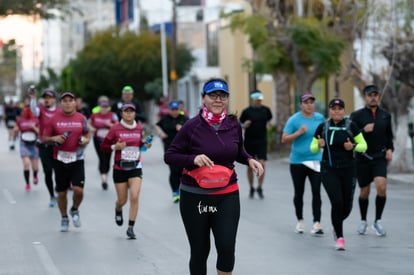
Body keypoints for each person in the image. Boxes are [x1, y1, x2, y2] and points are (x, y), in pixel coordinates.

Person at [164, 78, 264, 275]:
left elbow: (238, 151)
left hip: (227, 194)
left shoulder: (234, 124)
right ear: (203, 98)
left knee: (226, 249)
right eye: (213, 95)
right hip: (195, 196)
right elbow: (170, 156)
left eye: (223, 96)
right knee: (200, 251)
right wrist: (194, 158)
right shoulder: (191, 126)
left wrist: (250, 160)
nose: (218, 99)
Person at [310, 98, 367, 250]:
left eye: (339, 108)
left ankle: (336, 224)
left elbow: (363, 145)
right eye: (333, 108)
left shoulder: (350, 125)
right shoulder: (323, 127)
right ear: (329, 111)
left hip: (348, 169)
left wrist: (353, 146)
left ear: (343, 110)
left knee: (347, 206)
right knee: (337, 202)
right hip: (329, 169)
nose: (336, 111)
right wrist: (318, 145)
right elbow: (313, 147)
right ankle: (340, 237)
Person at [100, 103, 152, 239]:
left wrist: (146, 144)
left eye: (131, 111)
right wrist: (114, 147)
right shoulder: (115, 128)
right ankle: (118, 208)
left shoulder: (139, 128)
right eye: (126, 111)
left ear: (135, 113)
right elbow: (104, 146)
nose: (129, 114)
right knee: (122, 200)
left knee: (134, 196)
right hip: (120, 168)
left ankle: (130, 227)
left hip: (135, 167)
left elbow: (140, 144)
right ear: (121, 113)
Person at [42, 92, 90, 232]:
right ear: (60, 103)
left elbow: (87, 134)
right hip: (60, 160)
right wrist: (54, 138)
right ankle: (64, 217)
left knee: (78, 190)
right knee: (62, 193)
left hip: (77, 158)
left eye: (70, 100)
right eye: (65, 101)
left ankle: (74, 209)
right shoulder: (53, 119)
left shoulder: (81, 118)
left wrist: (85, 140)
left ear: (75, 103)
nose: (68, 103)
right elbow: (44, 138)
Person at [350, 84, 394, 237]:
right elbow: (349, 135)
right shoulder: (356, 116)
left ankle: (378, 221)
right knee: (364, 191)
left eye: (375, 95)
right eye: (370, 95)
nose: (373, 97)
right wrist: (363, 130)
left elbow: (389, 136)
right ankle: (363, 220)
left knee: (381, 187)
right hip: (362, 158)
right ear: (365, 97)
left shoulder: (385, 115)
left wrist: (390, 149)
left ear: (378, 96)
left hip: (379, 158)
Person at [281, 93, 325, 235]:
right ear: (301, 105)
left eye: (311, 102)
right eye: (306, 102)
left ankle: (316, 223)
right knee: (299, 193)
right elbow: (284, 139)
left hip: (315, 160)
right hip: (298, 161)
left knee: (316, 192)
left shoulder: (320, 118)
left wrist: (322, 142)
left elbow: (325, 136)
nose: (309, 105)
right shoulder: (294, 120)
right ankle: (300, 221)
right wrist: (298, 133)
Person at [239, 90, 272, 199]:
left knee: (262, 164)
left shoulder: (266, 110)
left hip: (262, 141)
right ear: (252, 99)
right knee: (250, 166)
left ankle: (260, 187)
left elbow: (269, 120)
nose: (258, 101)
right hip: (249, 141)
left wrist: (269, 125)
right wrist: (244, 125)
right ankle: (251, 187)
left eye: (260, 99)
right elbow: (240, 124)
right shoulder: (246, 111)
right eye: (256, 99)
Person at [30, 89, 60, 207]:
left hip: (58, 146)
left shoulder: (59, 111)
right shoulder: (41, 110)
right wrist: (33, 98)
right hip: (44, 146)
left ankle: (59, 189)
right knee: (48, 172)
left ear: (54, 100)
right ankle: (52, 195)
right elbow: (33, 110)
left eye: (49, 98)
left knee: (59, 171)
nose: (47, 100)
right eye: (45, 98)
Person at [155, 100, 189, 202]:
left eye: (176, 109)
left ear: (179, 109)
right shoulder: (165, 119)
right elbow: (157, 125)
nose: (174, 112)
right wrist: (160, 133)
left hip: (183, 148)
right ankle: (175, 191)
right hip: (170, 148)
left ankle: (184, 190)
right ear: (169, 110)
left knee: (183, 171)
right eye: (172, 109)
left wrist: (183, 129)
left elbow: (192, 130)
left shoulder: (184, 119)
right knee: (174, 171)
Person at [88, 96, 118, 190]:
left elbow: (117, 126)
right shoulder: (95, 115)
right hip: (98, 139)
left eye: (105, 107)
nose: (104, 109)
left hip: (109, 140)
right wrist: (91, 128)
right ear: (99, 107)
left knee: (107, 158)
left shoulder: (112, 115)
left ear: (108, 108)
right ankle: (103, 179)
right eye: (102, 107)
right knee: (101, 157)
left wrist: (109, 124)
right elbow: (88, 123)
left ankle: (105, 173)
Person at [14, 107, 40, 191]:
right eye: (25, 111)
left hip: (34, 144)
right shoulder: (20, 120)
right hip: (24, 143)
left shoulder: (36, 120)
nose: (27, 112)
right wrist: (16, 130)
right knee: (26, 164)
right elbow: (16, 129)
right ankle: (27, 184)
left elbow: (40, 132)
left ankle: (35, 175)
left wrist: (34, 128)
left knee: (35, 167)